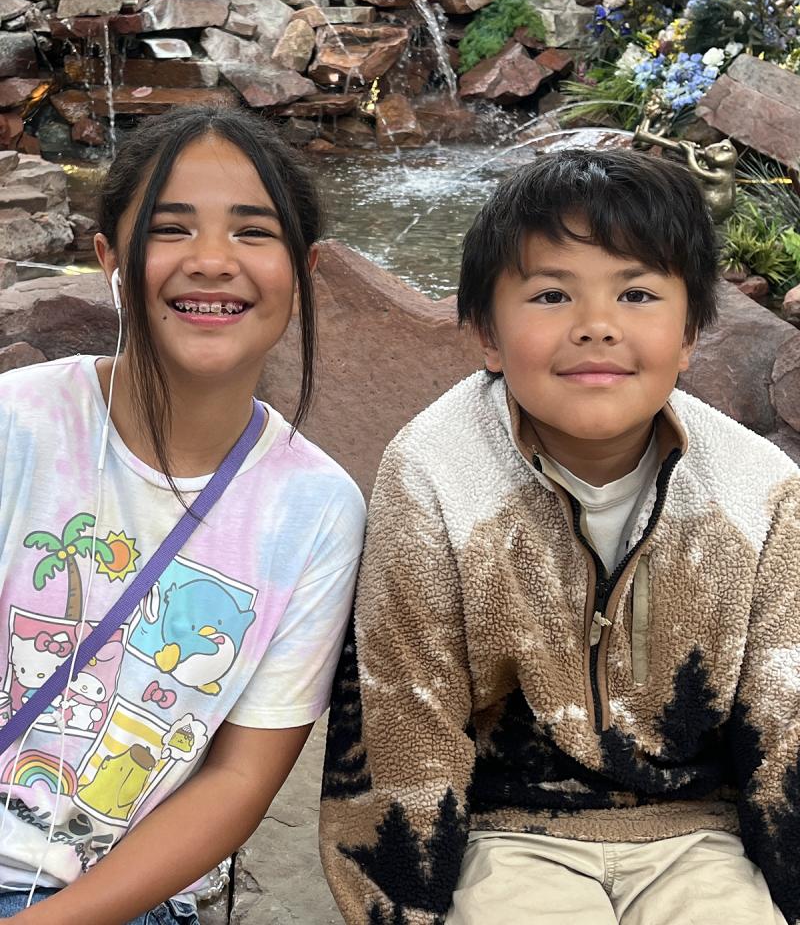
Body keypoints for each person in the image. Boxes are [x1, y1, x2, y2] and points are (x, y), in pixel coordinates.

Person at [319, 149, 800, 925]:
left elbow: (786, 717)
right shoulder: (433, 470)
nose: (596, 327)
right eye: (551, 295)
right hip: (506, 828)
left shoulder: (757, 487)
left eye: (637, 293)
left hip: (698, 830)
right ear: (487, 333)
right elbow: (404, 713)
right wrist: (403, 905)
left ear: (689, 334)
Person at [0, 104, 365, 924]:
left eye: (253, 232)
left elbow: (238, 780)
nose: (211, 262)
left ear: (304, 271)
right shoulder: (16, 423)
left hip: (118, 900)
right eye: (171, 229)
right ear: (109, 258)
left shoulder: (316, 511)